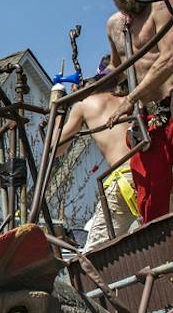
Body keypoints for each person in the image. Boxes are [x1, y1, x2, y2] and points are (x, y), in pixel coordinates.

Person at [54, 60, 138, 248]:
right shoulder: (136, 97)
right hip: (155, 171)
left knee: (95, 252)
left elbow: (55, 149)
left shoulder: (85, 104)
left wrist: (59, 107)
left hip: (125, 180)